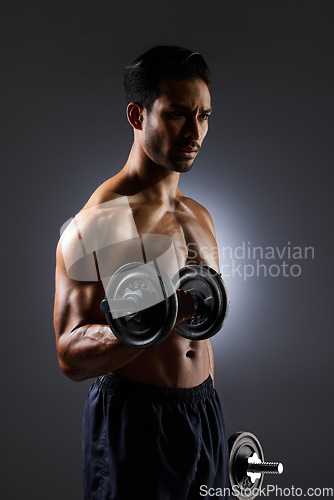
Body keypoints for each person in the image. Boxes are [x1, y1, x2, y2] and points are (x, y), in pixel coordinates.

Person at [54, 46, 229, 499]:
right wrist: (151, 322)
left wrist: (210, 419)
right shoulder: (96, 223)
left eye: (204, 115)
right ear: (137, 115)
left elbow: (201, 337)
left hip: (202, 414)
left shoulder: (200, 215)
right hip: (136, 423)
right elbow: (70, 354)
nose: (195, 131)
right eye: (177, 114)